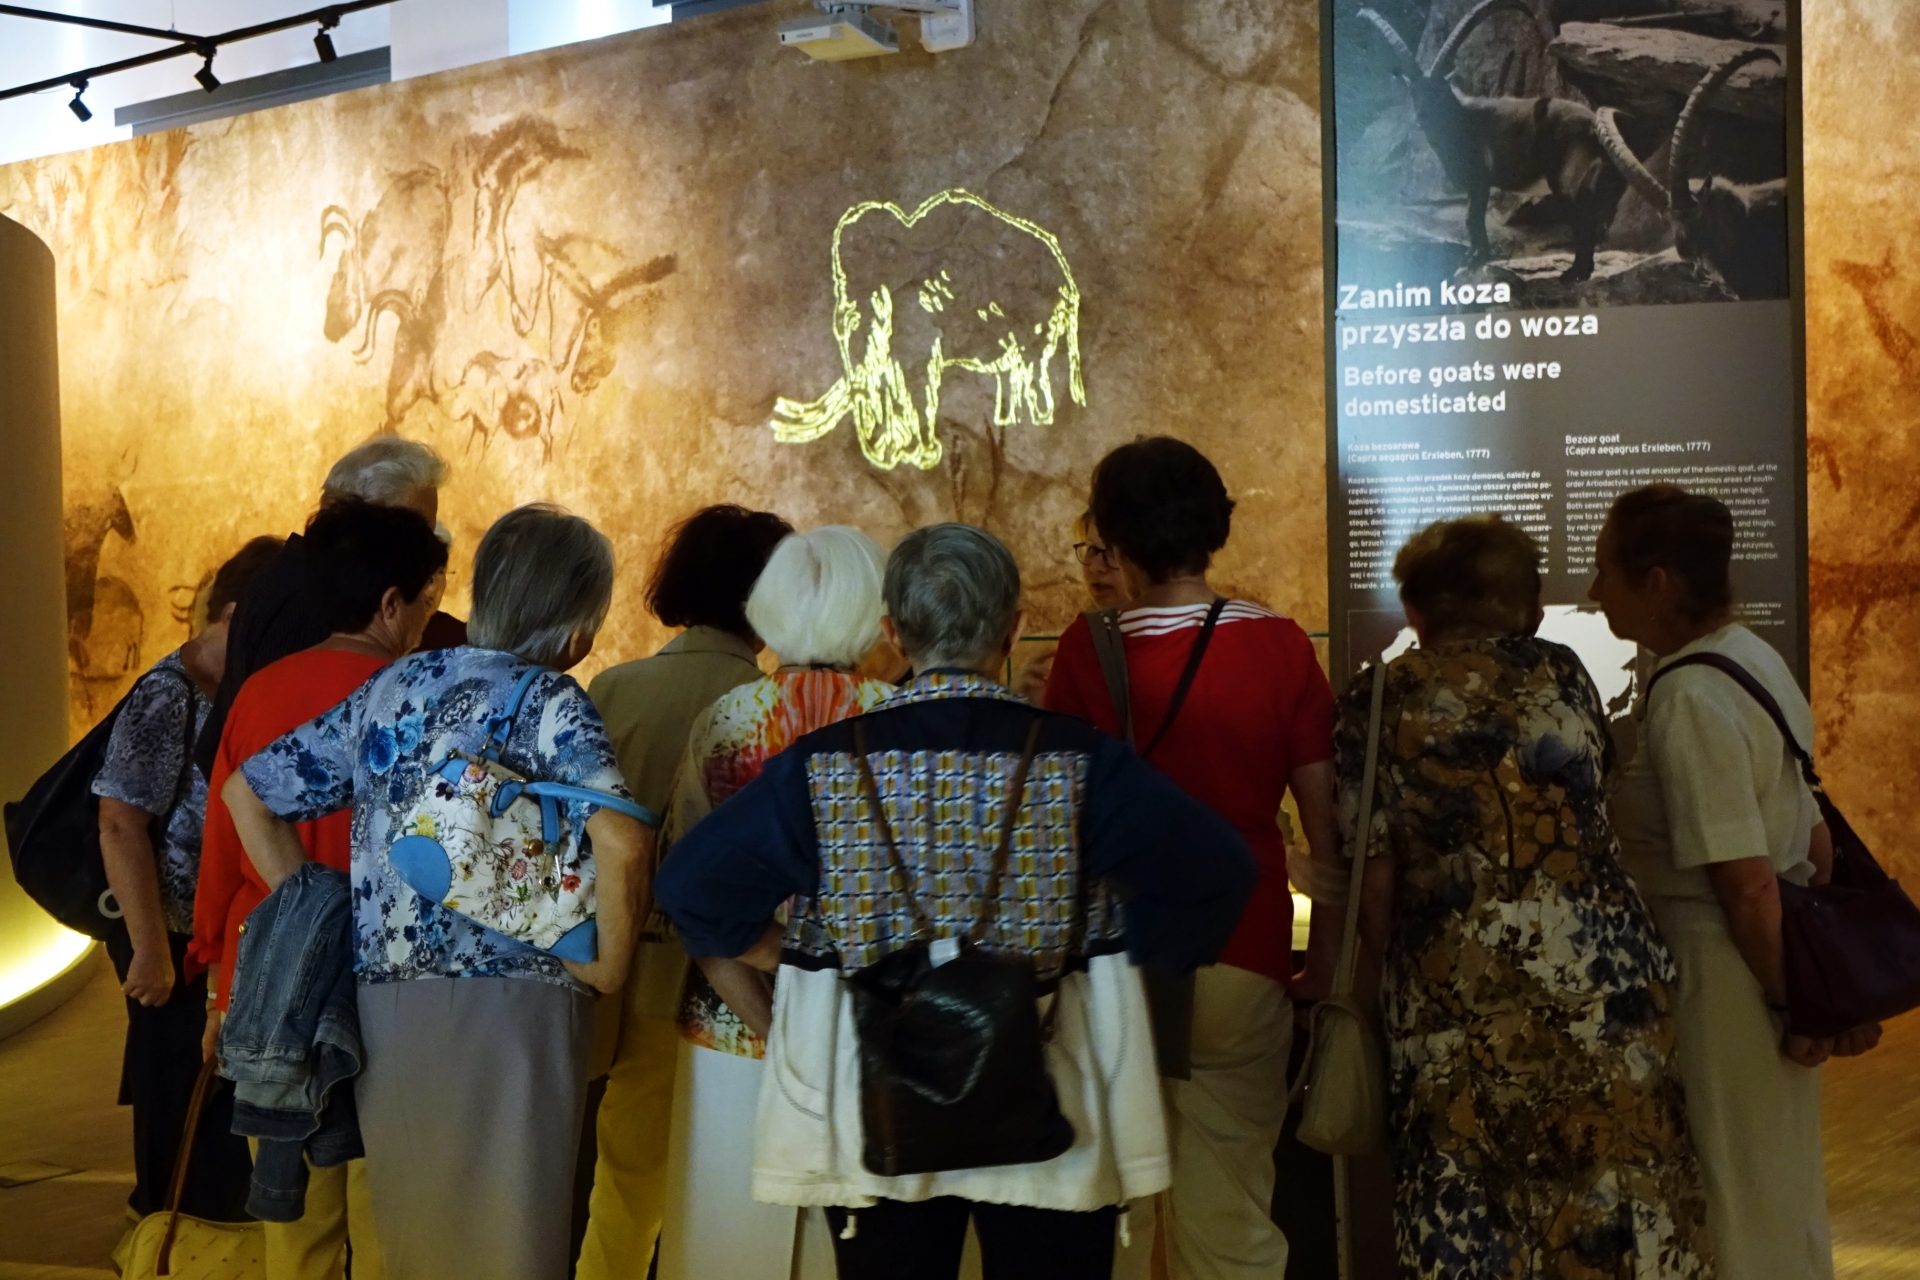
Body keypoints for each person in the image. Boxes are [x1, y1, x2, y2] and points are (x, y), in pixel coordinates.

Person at [656, 523, 1258, 1280]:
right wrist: (1119, 946)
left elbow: (691, 887)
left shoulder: (827, 765)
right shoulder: (1079, 759)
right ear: (1013, 628)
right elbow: (1216, 872)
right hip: (1053, 1090)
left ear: (893, 633)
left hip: (878, 1097)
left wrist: (785, 952)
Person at [222, 505, 653, 1280]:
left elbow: (248, 795)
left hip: (390, 1006)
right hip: (519, 1003)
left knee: (416, 1243)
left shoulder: (392, 689)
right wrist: (609, 969)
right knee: (512, 1241)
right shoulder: (550, 699)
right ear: (576, 625)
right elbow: (622, 840)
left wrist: (325, 908)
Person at [1340, 514, 1710, 1278]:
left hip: (1456, 1001)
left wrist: (1380, 986)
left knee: (1476, 1226)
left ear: (1416, 608)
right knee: (1614, 1212)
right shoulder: (1562, 674)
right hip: (1604, 988)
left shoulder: (1376, 701)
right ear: (1529, 610)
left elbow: (1375, 881)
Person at [1043, 437, 1338, 1280]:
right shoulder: (1281, 644)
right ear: (1214, 528)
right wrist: (1320, 964)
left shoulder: (1087, 649)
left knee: (1123, 1209)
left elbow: (1060, 827)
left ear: (1116, 540)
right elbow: (1328, 830)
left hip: (1121, 955)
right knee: (1233, 1206)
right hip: (1245, 945)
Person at [1594, 484, 1867, 1280]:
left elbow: (1744, 883)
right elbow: (1812, 840)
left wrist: (1793, 1002)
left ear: (1656, 583)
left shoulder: (1689, 695)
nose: (1594, 590)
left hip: (1724, 968)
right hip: (1763, 956)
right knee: (1776, 1182)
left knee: (1732, 1194)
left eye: (1606, 569)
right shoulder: (1753, 658)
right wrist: (1805, 984)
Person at [193, 499, 448, 1280]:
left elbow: (221, 855)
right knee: (386, 1210)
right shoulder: (420, 697)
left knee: (295, 1219)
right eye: (430, 597)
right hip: (388, 985)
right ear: (391, 603)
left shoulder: (259, 691)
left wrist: (219, 988)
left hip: (271, 973)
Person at [655, 525, 896, 1280]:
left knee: (728, 1244)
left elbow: (689, 894)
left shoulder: (726, 721)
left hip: (732, 1027)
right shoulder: (900, 719)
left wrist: (770, 1022)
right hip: (872, 1032)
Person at [576, 503, 793, 1280]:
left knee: (621, 1196)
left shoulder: (613, 689)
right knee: (725, 1210)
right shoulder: (768, 710)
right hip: (733, 992)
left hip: (616, 975)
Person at [93, 535, 283, 1224]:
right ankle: (167, 1234)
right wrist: (149, 949)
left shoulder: (230, 691)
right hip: (169, 939)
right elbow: (120, 823)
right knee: (175, 1103)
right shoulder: (166, 695)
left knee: (213, 1109)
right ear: (230, 615)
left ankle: (211, 1234)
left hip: (209, 940)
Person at [194, 435, 464, 778]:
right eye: (417, 530)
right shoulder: (311, 597)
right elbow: (279, 766)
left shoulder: (295, 578)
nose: (424, 550)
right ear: (367, 513)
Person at [1014, 510, 1131, 703]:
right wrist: (1026, 702)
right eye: (1092, 549)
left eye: (1111, 552)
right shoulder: (1082, 640)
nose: (1095, 567)